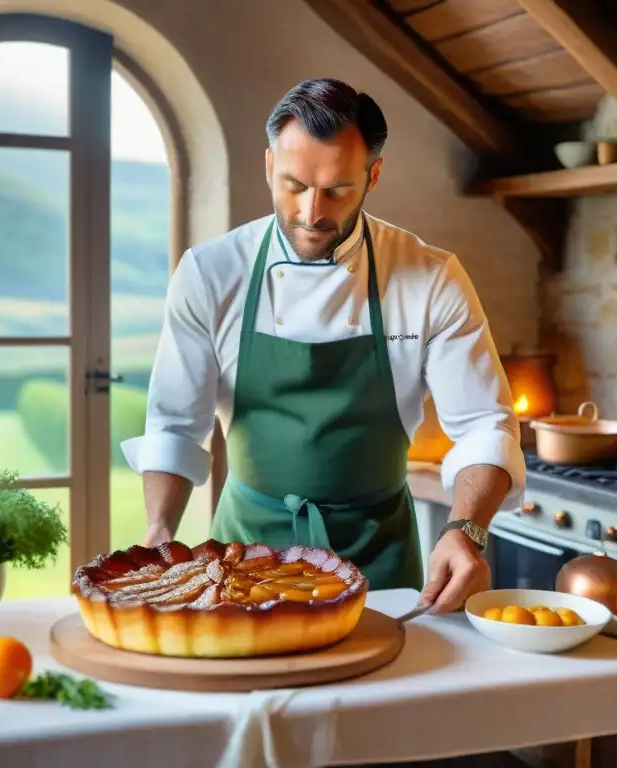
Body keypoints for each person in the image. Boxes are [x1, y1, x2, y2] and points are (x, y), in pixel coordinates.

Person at [121, 77, 525, 614]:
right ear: (269, 166)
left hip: (380, 561)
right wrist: (158, 528)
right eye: (294, 185)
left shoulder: (429, 279)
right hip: (240, 559)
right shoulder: (210, 273)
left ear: (373, 176)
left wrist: (466, 530)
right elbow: (174, 423)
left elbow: (483, 425)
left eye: (336, 190)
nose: (312, 213)